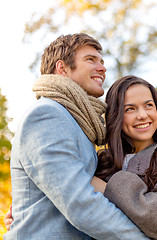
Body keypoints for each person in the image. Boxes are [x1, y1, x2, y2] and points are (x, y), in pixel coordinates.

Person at [4, 33, 149, 239]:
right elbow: (79, 203)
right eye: (91, 59)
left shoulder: (77, 124)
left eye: (102, 61)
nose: (102, 67)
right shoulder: (46, 115)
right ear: (62, 68)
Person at [90, 75, 157, 240]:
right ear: (115, 116)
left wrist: (105, 188)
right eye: (130, 109)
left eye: (148, 105)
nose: (143, 115)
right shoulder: (102, 162)